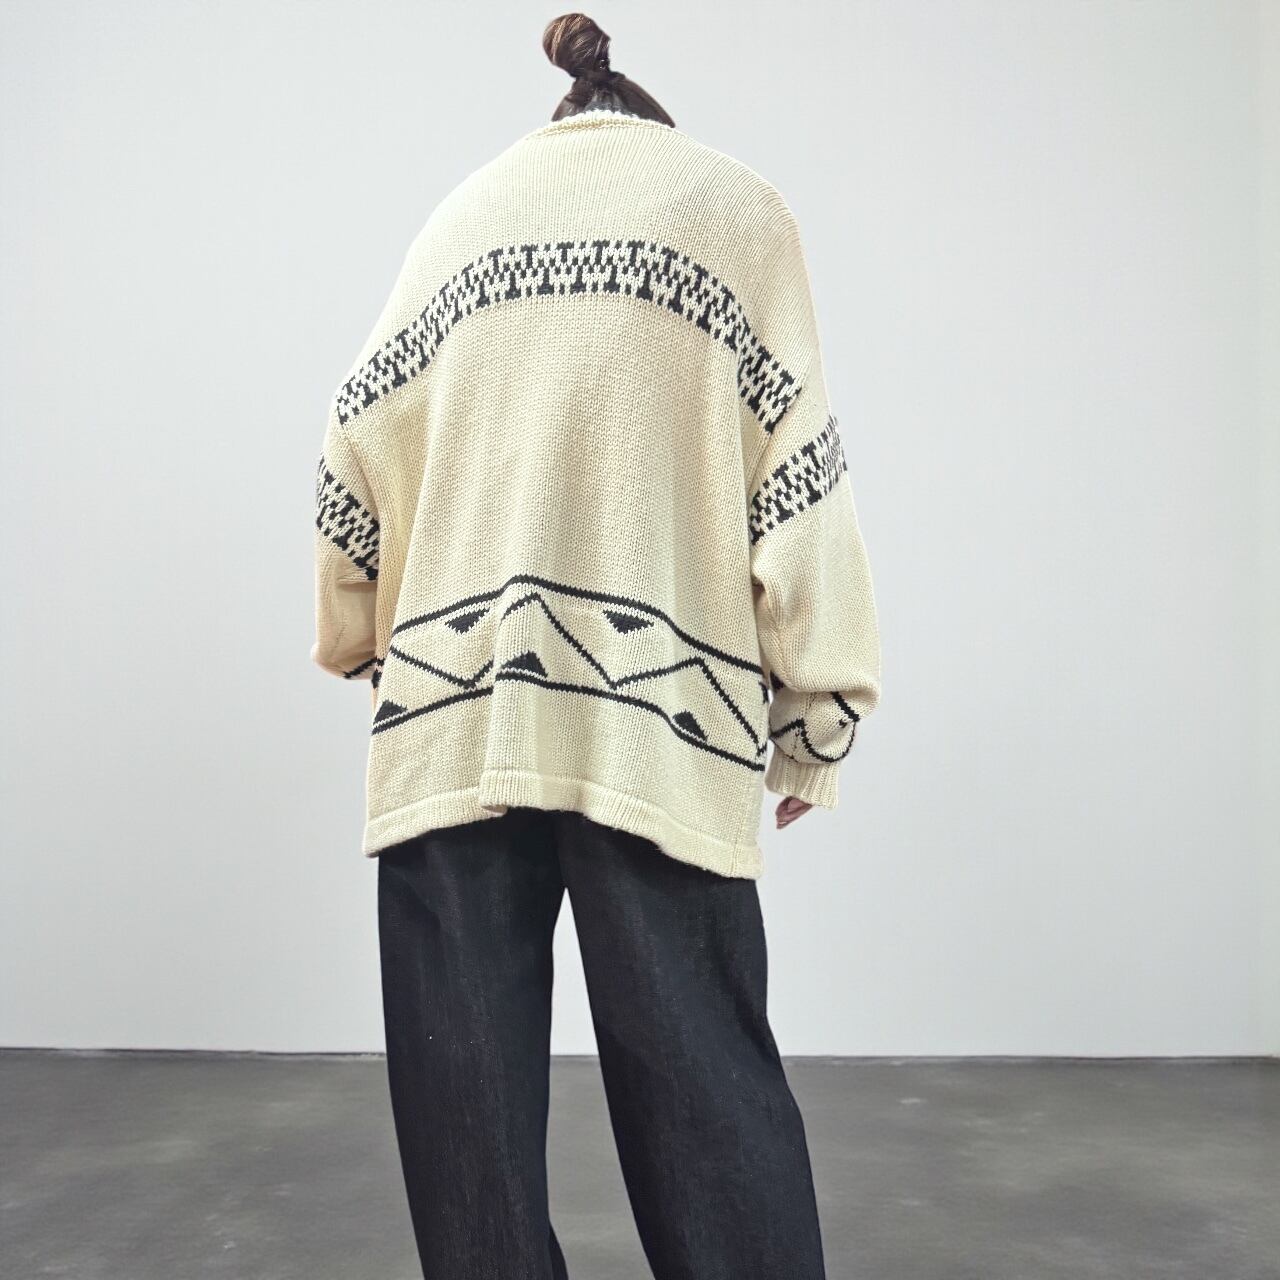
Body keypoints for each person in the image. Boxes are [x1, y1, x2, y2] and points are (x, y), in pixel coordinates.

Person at [311, 13, 881, 1278]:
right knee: (703, 1080)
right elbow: (799, 476)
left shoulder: (458, 222)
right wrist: (814, 712)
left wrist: (366, 637)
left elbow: (351, 450)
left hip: (452, 720)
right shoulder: (734, 214)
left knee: (467, 1123)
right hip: (653, 715)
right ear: (646, 122)